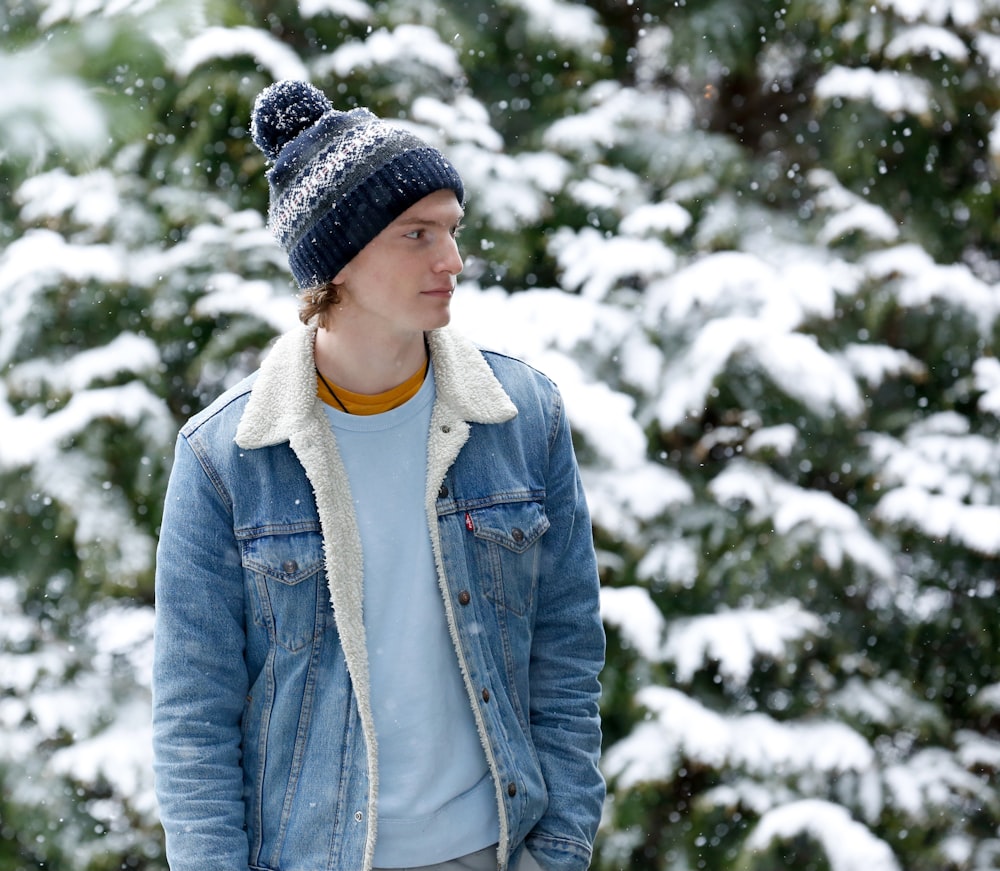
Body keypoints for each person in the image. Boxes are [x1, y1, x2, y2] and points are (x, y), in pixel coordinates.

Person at [151, 79, 605, 871]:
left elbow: (567, 657)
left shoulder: (522, 416)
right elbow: (194, 715)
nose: (453, 260)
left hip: (489, 852)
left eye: (453, 231)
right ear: (341, 257)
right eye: (418, 234)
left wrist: (557, 850)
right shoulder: (226, 457)